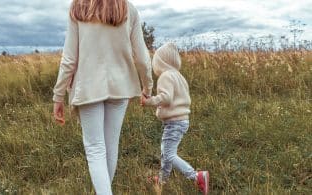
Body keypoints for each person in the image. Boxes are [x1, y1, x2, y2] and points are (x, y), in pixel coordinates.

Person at [52, 0, 153, 194]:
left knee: (96, 148)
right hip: (120, 87)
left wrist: (58, 96)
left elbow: (69, 59)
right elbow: (142, 57)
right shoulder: (127, 8)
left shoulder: (78, 7)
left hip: (89, 88)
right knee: (109, 145)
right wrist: (147, 86)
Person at [141, 42, 209, 195]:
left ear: (161, 62)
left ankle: (196, 176)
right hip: (181, 120)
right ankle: (162, 179)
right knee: (166, 152)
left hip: (174, 122)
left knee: (169, 154)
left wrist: (149, 101)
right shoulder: (179, 76)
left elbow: (166, 98)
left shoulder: (166, 76)